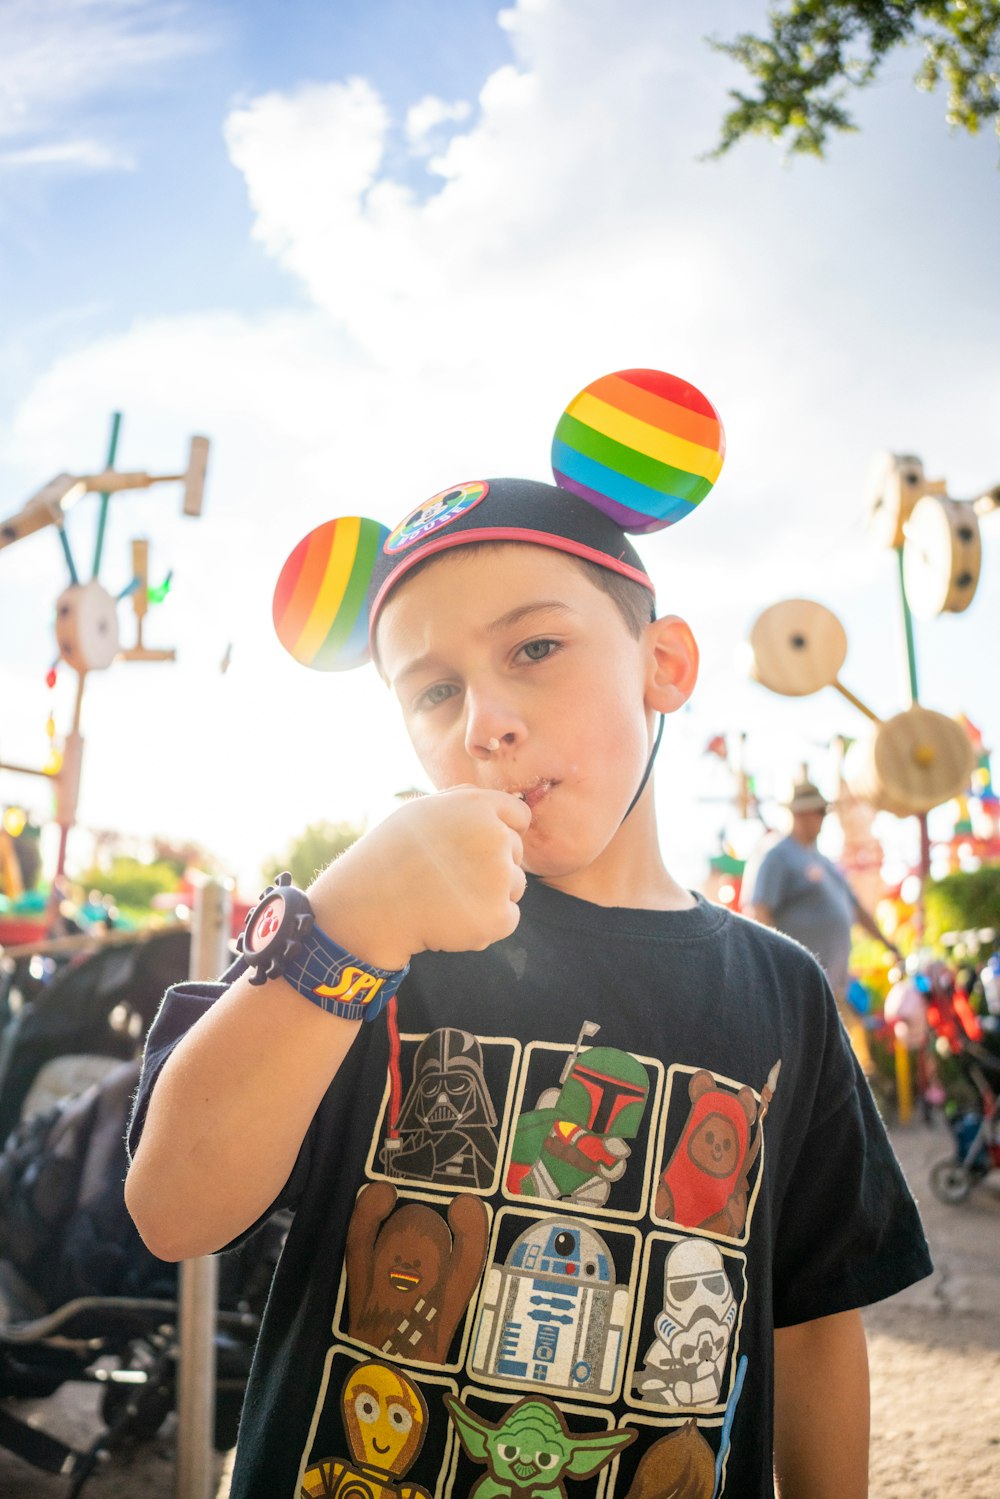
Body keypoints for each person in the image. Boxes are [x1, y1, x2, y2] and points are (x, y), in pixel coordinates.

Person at [126, 380, 931, 1499]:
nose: (484, 720)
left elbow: (811, 1323)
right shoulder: (355, 948)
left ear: (664, 664)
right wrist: (346, 927)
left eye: (536, 649)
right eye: (435, 690)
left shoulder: (778, 989)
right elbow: (175, 1208)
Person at [743, 780, 903, 1075]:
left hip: (830, 987)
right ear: (801, 813)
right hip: (796, 990)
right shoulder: (776, 854)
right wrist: (770, 972)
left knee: (835, 1071)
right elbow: (759, 912)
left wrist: (888, 944)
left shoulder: (823, 861)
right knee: (805, 1070)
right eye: (819, 811)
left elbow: (855, 910)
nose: (823, 818)